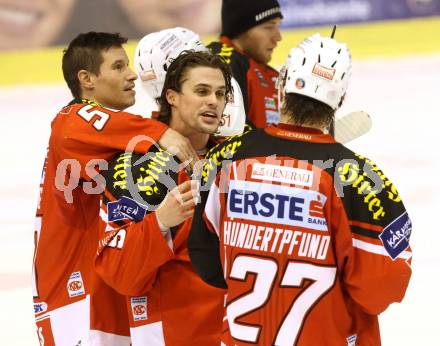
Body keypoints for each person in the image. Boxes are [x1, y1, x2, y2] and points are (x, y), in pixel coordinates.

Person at [189, 33, 412, 345]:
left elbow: (206, 260)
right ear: (341, 99)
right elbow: (382, 289)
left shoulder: (226, 158)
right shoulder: (362, 180)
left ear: (282, 85)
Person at [31, 31, 198, 345]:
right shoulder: (71, 122)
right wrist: (160, 132)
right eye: (118, 67)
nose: (131, 74)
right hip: (74, 302)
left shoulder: (103, 134)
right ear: (87, 79)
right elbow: (75, 123)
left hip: (91, 295)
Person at [94, 50, 233, 345]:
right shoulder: (136, 168)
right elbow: (118, 273)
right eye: (201, 91)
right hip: (175, 334)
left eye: (220, 93)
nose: (214, 101)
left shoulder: (236, 160)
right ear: (172, 97)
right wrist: (159, 222)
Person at [208, 0, 283, 128]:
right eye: (269, 27)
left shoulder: (269, 72)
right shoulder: (221, 63)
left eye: (278, 26)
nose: (278, 37)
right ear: (240, 28)